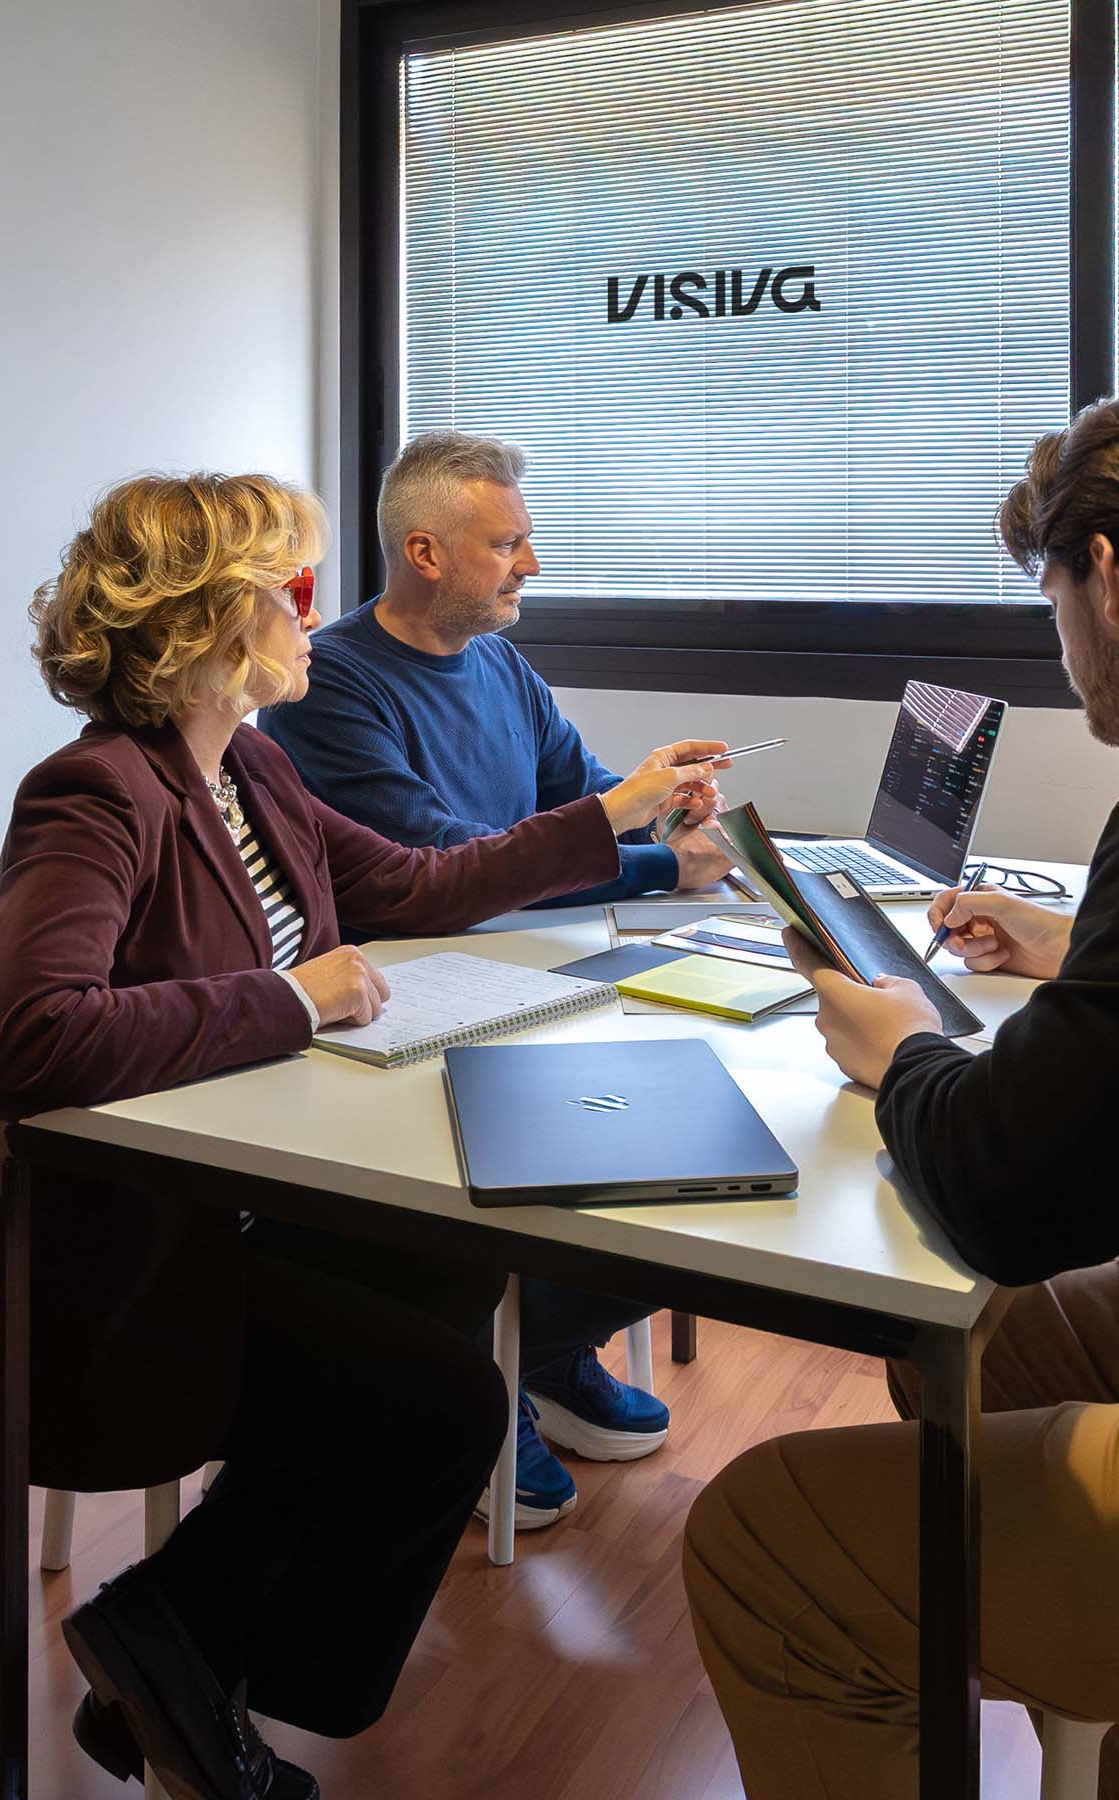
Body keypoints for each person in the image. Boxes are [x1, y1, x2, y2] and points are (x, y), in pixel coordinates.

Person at [0, 473, 717, 1800]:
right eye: (292, 594)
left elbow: (409, 885)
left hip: (200, 1210)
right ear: (212, 621)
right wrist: (292, 996)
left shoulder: (245, 767)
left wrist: (609, 817)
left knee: (456, 1263)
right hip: (82, 1272)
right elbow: (30, 1040)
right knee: (439, 1399)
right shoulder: (95, 794)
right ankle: (197, 1676)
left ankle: (173, 1655)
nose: (316, 617)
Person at [682, 383, 1119, 1800]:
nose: (1055, 644)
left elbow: (1013, 1199)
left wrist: (901, 1055)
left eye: (1048, 595)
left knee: (768, 1546)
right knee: (1009, 1349)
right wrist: (1093, 953)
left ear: (1106, 576)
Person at [259, 430, 735, 1525]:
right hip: (411, 1008)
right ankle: (493, 1369)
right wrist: (660, 859)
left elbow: (573, 793)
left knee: (688, 1146)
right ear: (425, 551)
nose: (531, 564)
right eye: (507, 544)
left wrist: (662, 801)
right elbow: (452, 869)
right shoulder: (330, 686)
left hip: (522, 976)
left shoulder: (501, 662)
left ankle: (547, 1343)